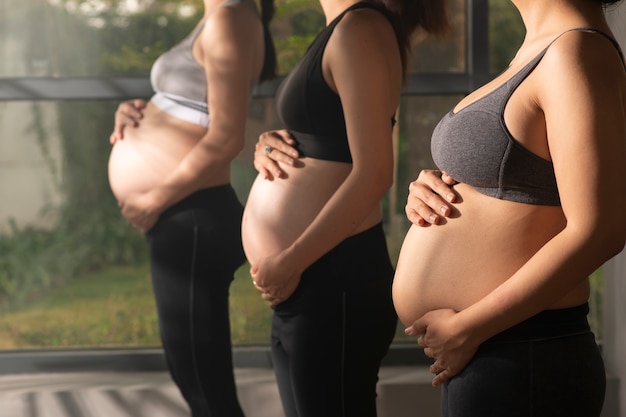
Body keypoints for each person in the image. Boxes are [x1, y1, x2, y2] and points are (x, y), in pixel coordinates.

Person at [395, 0, 626, 416]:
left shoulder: (576, 51)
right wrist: (433, 188)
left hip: (522, 352)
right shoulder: (542, 48)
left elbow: (601, 228)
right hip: (498, 352)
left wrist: (469, 327)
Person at [241, 1, 448, 416]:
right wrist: (271, 142)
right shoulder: (345, 27)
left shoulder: (361, 27)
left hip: (330, 281)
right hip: (308, 282)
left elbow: (374, 174)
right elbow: (329, 135)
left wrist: (290, 261)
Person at [106, 0, 276, 416]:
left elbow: (226, 138)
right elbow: (198, 109)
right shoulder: (218, 16)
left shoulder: (230, 16)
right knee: (194, 375)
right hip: (185, 217)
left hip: (192, 217)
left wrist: (153, 200)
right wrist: (139, 109)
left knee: (204, 385)